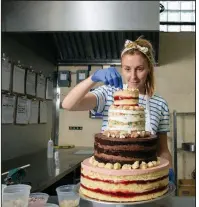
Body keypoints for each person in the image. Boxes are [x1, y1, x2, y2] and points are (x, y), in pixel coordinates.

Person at [62, 37, 174, 183]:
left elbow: (163, 149)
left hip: (144, 180)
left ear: (149, 69)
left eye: (139, 69)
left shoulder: (160, 104)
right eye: (127, 69)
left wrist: (169, 171)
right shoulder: (109, 93)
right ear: (122, 68)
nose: (133, 76)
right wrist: (93, 78)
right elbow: (68, 104)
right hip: (110, 179)